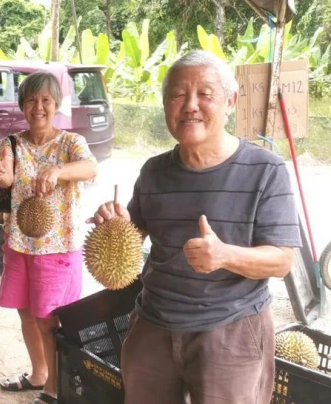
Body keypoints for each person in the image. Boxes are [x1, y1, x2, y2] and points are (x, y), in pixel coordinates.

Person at [88, 50, 301, 404]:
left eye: (205, 94)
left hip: (230, 328)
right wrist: (115, 225)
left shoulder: (266, 170)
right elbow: (135, 232)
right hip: (153, 322)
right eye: (177, 95)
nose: (190, 105)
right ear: (164, 104)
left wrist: (224, 256)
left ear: (230, 100)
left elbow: (281, 260)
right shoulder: (154, 171)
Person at [0, 71, 98, 404]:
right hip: (19, 244)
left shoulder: (70, 143)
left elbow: (91, 168)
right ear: (23, 105)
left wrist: (58, 171)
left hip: (56, 247)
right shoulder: (12, 143)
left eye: (46, 100)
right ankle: (39, 374)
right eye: (32, 100)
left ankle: (54, 387)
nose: (39, 107)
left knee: (48, 318)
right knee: (25, 311)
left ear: (57, 105)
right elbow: (4, 176)